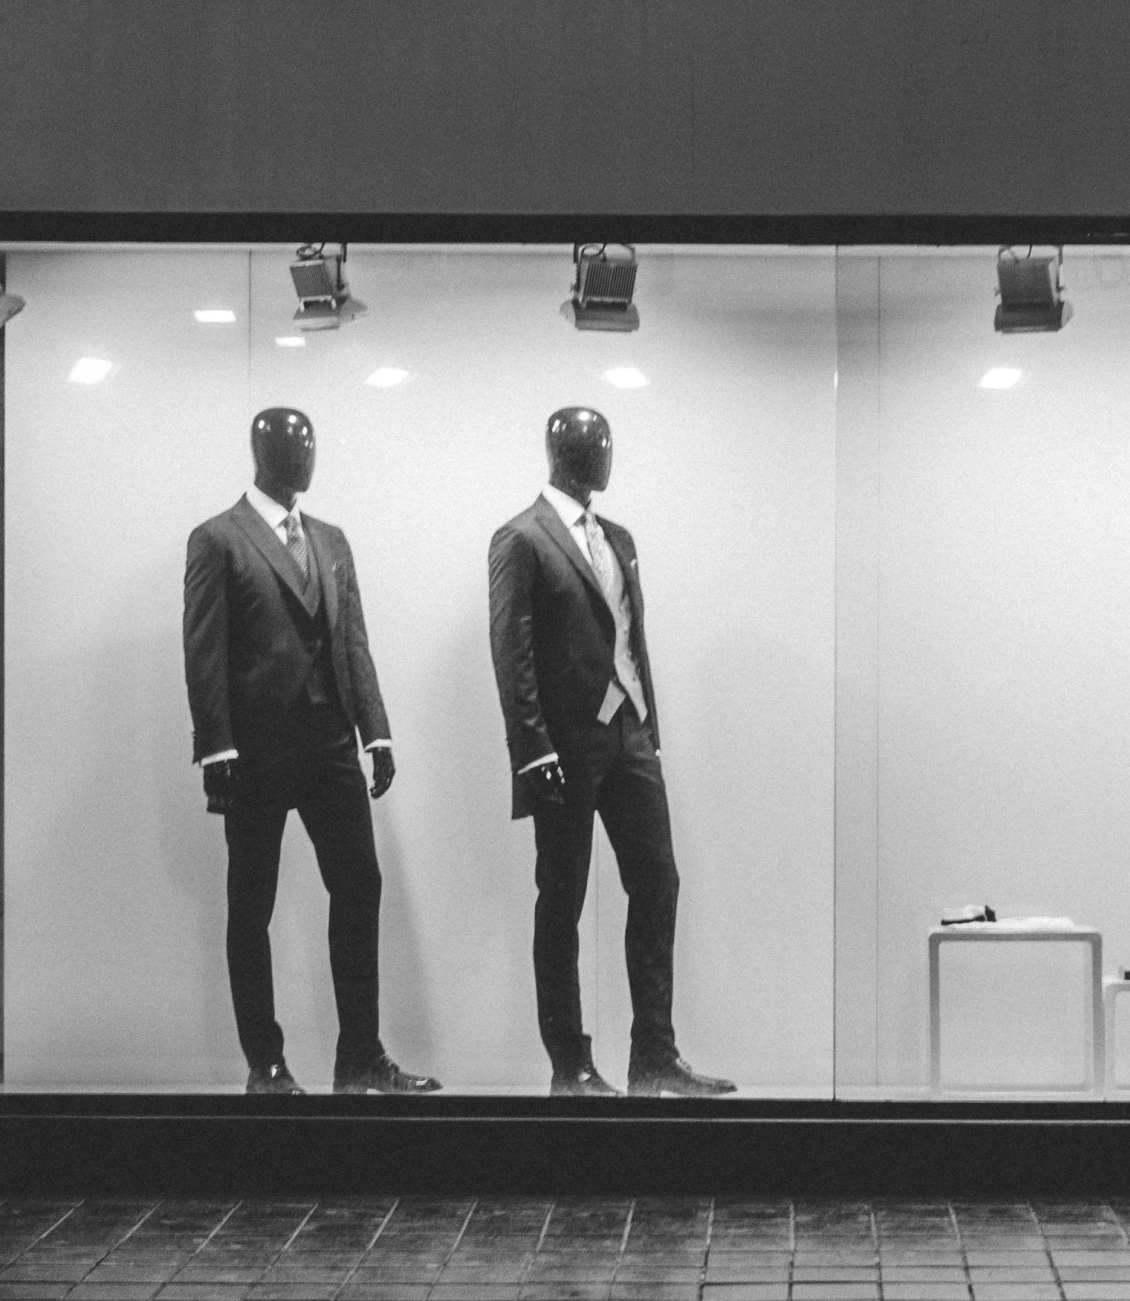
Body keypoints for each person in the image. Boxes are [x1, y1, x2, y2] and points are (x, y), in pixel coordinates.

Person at [181, 407, 439, 1096]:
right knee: (252, 903)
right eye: (289, 444)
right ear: (259, 451)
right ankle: (265, 1064)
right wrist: (217, 751)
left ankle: (360, 1058)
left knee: (360, 885)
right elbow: (204, 652)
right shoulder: (218, 539)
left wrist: (375, 732)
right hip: (257, 751)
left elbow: (352, 640)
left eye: (311, 443)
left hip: (329, 742)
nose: (305, 456)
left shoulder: (330, 540)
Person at [487, 407, 735, 1098]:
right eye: (589, 443)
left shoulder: (617, 538)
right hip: (562, 749)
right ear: (557, 451)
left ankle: (654, 1055)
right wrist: (531, 750)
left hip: (627, 734)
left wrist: (647, 721)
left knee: (658, 882)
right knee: (560, 898)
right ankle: (570, 1064)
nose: (602, 454)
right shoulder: (522, 539)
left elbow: (628, 635)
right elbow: (512, 654)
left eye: (606, 441)